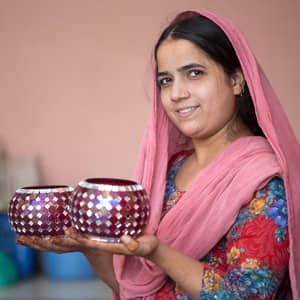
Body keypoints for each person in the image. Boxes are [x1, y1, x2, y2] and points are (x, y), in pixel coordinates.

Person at [18, 9, 300, 300]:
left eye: (194, 73)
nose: (176, 93)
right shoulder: (170, 171)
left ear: (236, 80)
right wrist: (87, 245)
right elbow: (135, 289)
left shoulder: (266, 180)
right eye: (166, 80)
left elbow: (247, 296)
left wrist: (158, 252)